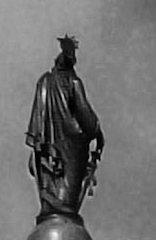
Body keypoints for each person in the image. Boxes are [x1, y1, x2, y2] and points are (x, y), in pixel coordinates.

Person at [25, 36, 103, 221]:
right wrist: (98, 132)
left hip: (47, 147)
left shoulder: (44, 82)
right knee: (67, 196)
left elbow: (38, 117)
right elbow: (86, 116)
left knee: (49, 177)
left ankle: (51, 204)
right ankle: (62, 206)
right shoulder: (73, 83)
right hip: (72, 147)